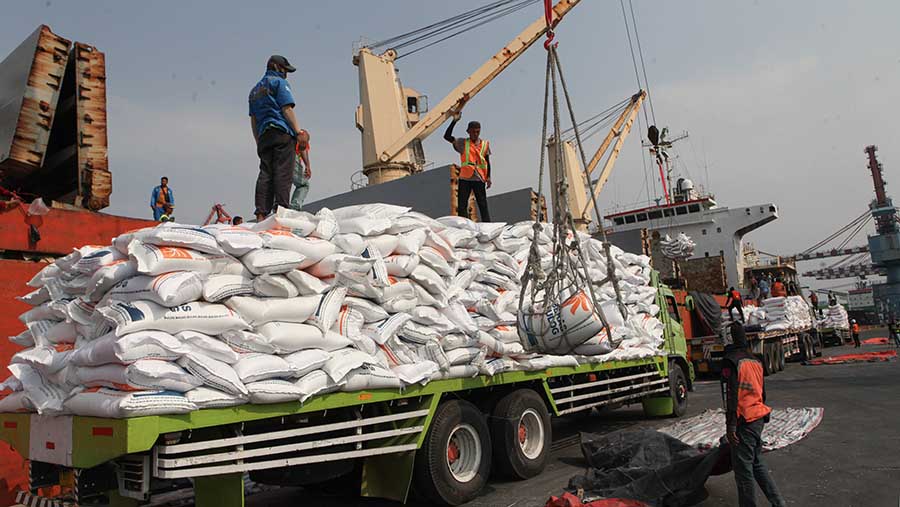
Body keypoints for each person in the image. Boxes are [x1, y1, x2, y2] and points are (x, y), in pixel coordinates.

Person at [721, 322, 786, 507]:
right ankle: (778, 502)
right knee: (757, 463)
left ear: (730, 338)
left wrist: (731, 424)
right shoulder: (756, 359)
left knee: (743, 471)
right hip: (758, 417)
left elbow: (731, 395)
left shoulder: (731, 360)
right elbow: (762, 393)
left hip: (744, 419)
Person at [249, 55, 304, 221]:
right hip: (281, 133)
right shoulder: (279, 83)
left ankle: (260, 214)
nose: (286, 74)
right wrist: (298, 132)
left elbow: (254, 120)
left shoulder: (254, 91)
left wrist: (258, 141)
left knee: (265, 173)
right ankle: (281, 212)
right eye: (285, 70)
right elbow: (286, 109)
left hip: (264, 135)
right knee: (283, 172)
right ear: (275, 67)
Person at [445, 114, 491, 222]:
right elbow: (447, 136)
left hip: (479, 178)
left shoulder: (484, 144)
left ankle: (487, 225)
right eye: (473, 132)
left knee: (482, 204)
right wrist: (454, 121)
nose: (475, 134)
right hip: (465, 177)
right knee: (462, 205)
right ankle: (464, 224)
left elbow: (488, 162)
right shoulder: (462, 143)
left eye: (477, 132)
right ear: (468, 131)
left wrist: (488, 177)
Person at [290, 130, 311, 210]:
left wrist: (307, 165)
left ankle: (277, 206)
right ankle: (294, 208)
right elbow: (303, 149)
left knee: (281, 182)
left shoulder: (300, 137)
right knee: (303, 184)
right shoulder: (301, 135)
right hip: (291, 156)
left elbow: (304, 150)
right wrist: (307, 166)